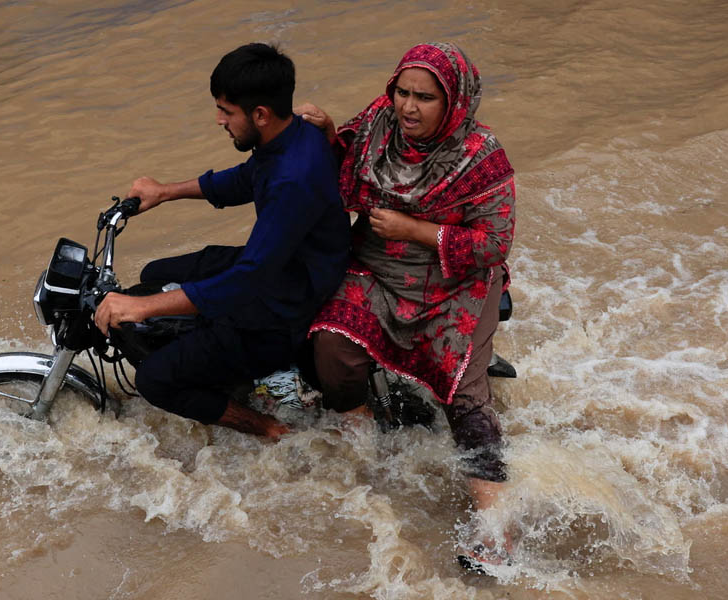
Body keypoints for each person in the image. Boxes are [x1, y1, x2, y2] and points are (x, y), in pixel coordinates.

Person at [297, 42, 516, 571]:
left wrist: (415, 229)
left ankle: (497, 529)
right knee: (329, 341)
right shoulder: (378, 122)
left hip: (453, 282)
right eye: (402, 92)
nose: (408, 107)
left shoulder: (482, 157)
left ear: (455, 103)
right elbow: (344, 161)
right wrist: (328, 133)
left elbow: (492, 245)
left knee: (462, 389)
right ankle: (359, 424)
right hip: (375, 266)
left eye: (425, 97)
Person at [94, 43, 351, 441]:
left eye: (226, 111)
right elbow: (242, 180)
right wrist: (165, 191)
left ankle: (268, 428)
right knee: (156, 272)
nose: (219, 120)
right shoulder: (292, 136)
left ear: (260, 114)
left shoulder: (292, 180)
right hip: (286, 268)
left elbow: (249, 280)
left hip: (285, 307)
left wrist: (142, 307)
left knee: (155, 379)